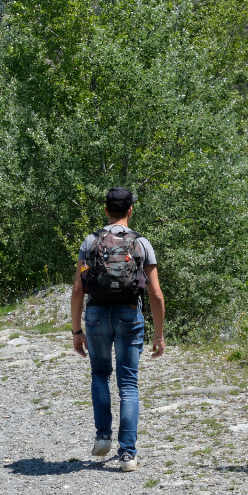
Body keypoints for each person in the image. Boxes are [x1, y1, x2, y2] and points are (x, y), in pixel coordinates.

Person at [70, 187, 165, 472]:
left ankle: (102, 436)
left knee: (100, 375)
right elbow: (156, 294)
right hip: (129, 314)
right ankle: (127, 454)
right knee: (128, 383)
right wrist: (159, 335)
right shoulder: (142, 243)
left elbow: (77, 290)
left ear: (105, 209)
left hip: (96, 313)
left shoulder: (90, 241)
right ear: (130, 210)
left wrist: (77, 331)